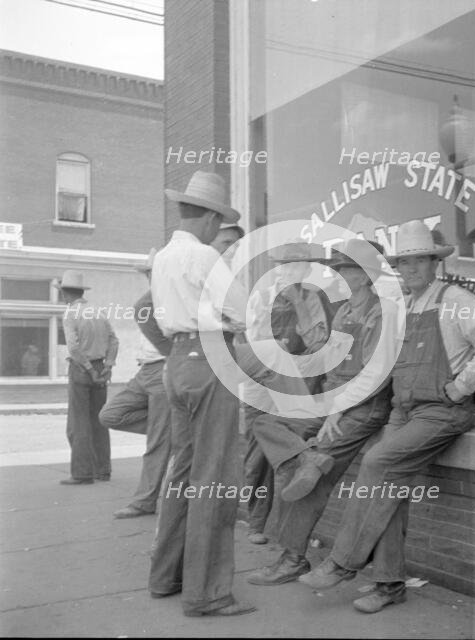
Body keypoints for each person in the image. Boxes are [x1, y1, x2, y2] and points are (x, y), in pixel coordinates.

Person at [298, 220, 475, 613]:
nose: (412, 269)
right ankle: (389, 584)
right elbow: (376, 368)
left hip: (442, 412)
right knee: (388, 489)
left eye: (420, 261)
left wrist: (462, 386)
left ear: (435, 263)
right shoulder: (404, 307)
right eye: (405, 263)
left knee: (379, 461)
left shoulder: (454, 299)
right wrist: (341, 407)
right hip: (404, 410)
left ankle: (343, 563)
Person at [246, 238, 398, 586]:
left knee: (314, 478)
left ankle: (292, 558)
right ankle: (303, 458)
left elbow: (375, 375)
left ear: (364, 276)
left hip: (363, 407)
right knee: (268, 422)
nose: (339, 275)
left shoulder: (382, 313)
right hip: (336, 403)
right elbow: (331, 360)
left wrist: (337, 409)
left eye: (346, 270)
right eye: (339, 269)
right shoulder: (345, 311)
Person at [148, 170, 255, 617]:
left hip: (176, 362)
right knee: (214, 476)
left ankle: (166, 575)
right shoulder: (205, 256)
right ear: (209, 217)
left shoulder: (163, 257)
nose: (218, 231)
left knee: (182, 470)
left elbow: (153, 314)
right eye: (218, 222)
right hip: (210, 360)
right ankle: (207, 593)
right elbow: (242, 312)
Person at [243, 242, 330, 544]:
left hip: (296, 385)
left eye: (300, 267)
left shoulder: (313, 299)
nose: (293, 272)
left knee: (289, 457)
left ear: (308, 270)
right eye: (288, 266)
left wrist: (298, 304)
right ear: (279, 268)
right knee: (256, 459)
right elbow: (251, 341)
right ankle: (255, 523)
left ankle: (287, 530)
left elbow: (318, 342)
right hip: (260, 385)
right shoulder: (261, 296)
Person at [99, 249, 172, 518]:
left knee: (156, 444)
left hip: (163, 369)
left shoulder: (171, 296)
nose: (151, 277)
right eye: (148, 273)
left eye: (154, 272)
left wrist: (173, 358)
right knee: (110, 415)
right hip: (145, 371)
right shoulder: (153, 298)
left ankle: (144, 502)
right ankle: (172, 432)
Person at [58, 270, 119, 485]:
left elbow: (73, 347)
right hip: (100, 367)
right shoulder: (98, 312)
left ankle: (82, 473)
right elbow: (114, 340)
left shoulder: (70, 314)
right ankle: (102, 470)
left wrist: (88, 369)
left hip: (81, 370)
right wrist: (108, 367)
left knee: (78, 423)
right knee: (98, 421)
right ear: (81, 291)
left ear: (65, 294)